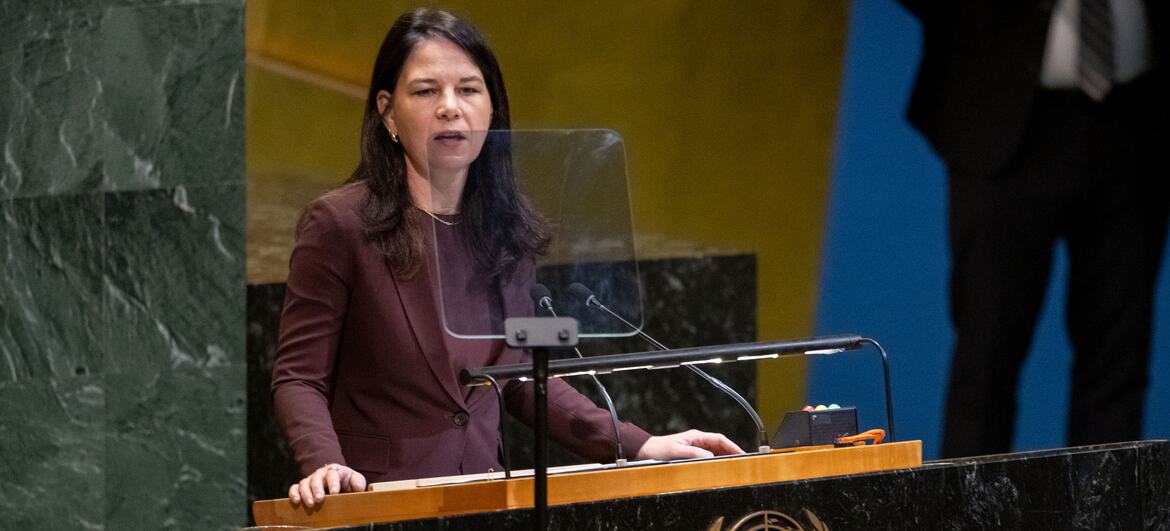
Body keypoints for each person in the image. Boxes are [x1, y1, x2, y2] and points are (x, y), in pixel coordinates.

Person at [271, 8, 743, 508]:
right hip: (379, 500)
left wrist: (638, 443)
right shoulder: (341, 224)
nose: (450, 108)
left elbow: (519, 376)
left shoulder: (507, 232)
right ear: (388, 112)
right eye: (426, 90)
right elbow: (298, 376)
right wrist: (324, 462)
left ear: (492, 109)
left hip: (488, 499)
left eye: (469, 90)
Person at [898, 0, 1168, 457]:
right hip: (1001, 119)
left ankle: (1108, 516)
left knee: (1119, 361)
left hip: (1138, 119)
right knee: (986, 358)